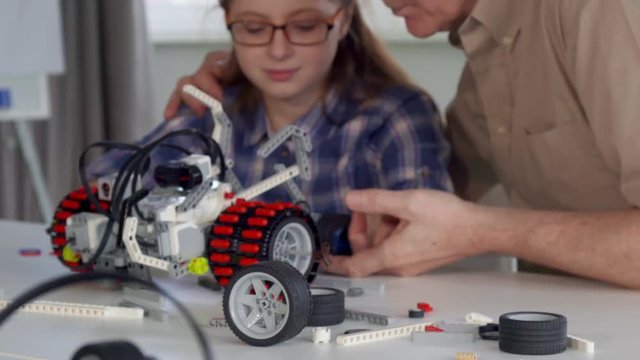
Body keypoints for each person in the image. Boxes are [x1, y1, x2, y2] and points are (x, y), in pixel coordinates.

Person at [168, 0, 640, 289]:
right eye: (253, 27)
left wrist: (486, 230)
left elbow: (463, 222)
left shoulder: (597, 10)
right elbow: (428, 199)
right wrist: (239, 84)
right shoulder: (488, 58)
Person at [95, 0, 451, 216]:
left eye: (305, 26)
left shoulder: (393, 118)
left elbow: (428, 246)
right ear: (229, 23)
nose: (278, 50)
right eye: (253, 28)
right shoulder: (215, 112)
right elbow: (103, 185)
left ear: (341, 21)